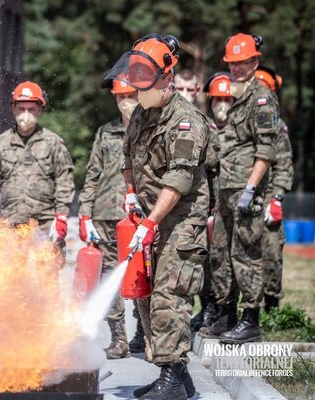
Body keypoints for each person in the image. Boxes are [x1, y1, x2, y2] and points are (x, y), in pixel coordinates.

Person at [103, 33, 209, 400]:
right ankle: (175, 373)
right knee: (144, 297)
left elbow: (179, 179)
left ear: (167, 77)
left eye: (143, 84)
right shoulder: (141, 115)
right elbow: (127, 158)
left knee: (169, 295)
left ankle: (173, 382)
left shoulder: (186, 121)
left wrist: (151, 222)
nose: (137, 91)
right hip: (149, 218)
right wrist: (132, 195)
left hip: (180, 218)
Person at [206, 33, 280, 344]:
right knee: (221, 254)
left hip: (246, 191)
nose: (237, 68)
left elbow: (266, 150)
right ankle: (227, 312)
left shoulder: (261, 99)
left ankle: (251, 319)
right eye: (232, 64)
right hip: (225, 189)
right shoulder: (235, 98)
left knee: (246, 254)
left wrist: (252, 189)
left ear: (254, 62)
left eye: (243, 63)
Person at [78, 79, 139, 359]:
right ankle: (118, 339)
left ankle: (145, 336)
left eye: (130, 95)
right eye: (120, 97)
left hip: (139, 215)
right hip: (105, 214)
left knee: (142, 274)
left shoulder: (150, 129)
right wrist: (85, 214)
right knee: (107, 277)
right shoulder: (106, 133)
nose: (125, 101)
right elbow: (92, 174)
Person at [0, 81, 75, 244]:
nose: (25, 114)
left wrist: (61, 217)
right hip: (9, 226)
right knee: (10, 270)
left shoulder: (53, 143)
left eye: (31, 109)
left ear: (40, 110)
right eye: (21, 109)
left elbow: (65, 181)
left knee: (47, 268)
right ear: (13, 108)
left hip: (44, 225)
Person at [192, 72, 233, 332]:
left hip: (232, 203)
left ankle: (227, 310)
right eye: (217, 99)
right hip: (209, 203)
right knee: (208, 259)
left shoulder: (241, 128)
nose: (221, 104)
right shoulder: (204, 125)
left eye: (226, 99)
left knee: (228, 258)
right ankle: (211, 309)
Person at [254, 66, 293, 312]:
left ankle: (271, 306)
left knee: (270, 253)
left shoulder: (277, 126)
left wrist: (276, 199)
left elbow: (284, 164)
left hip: (267, 198)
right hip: (245, 197)